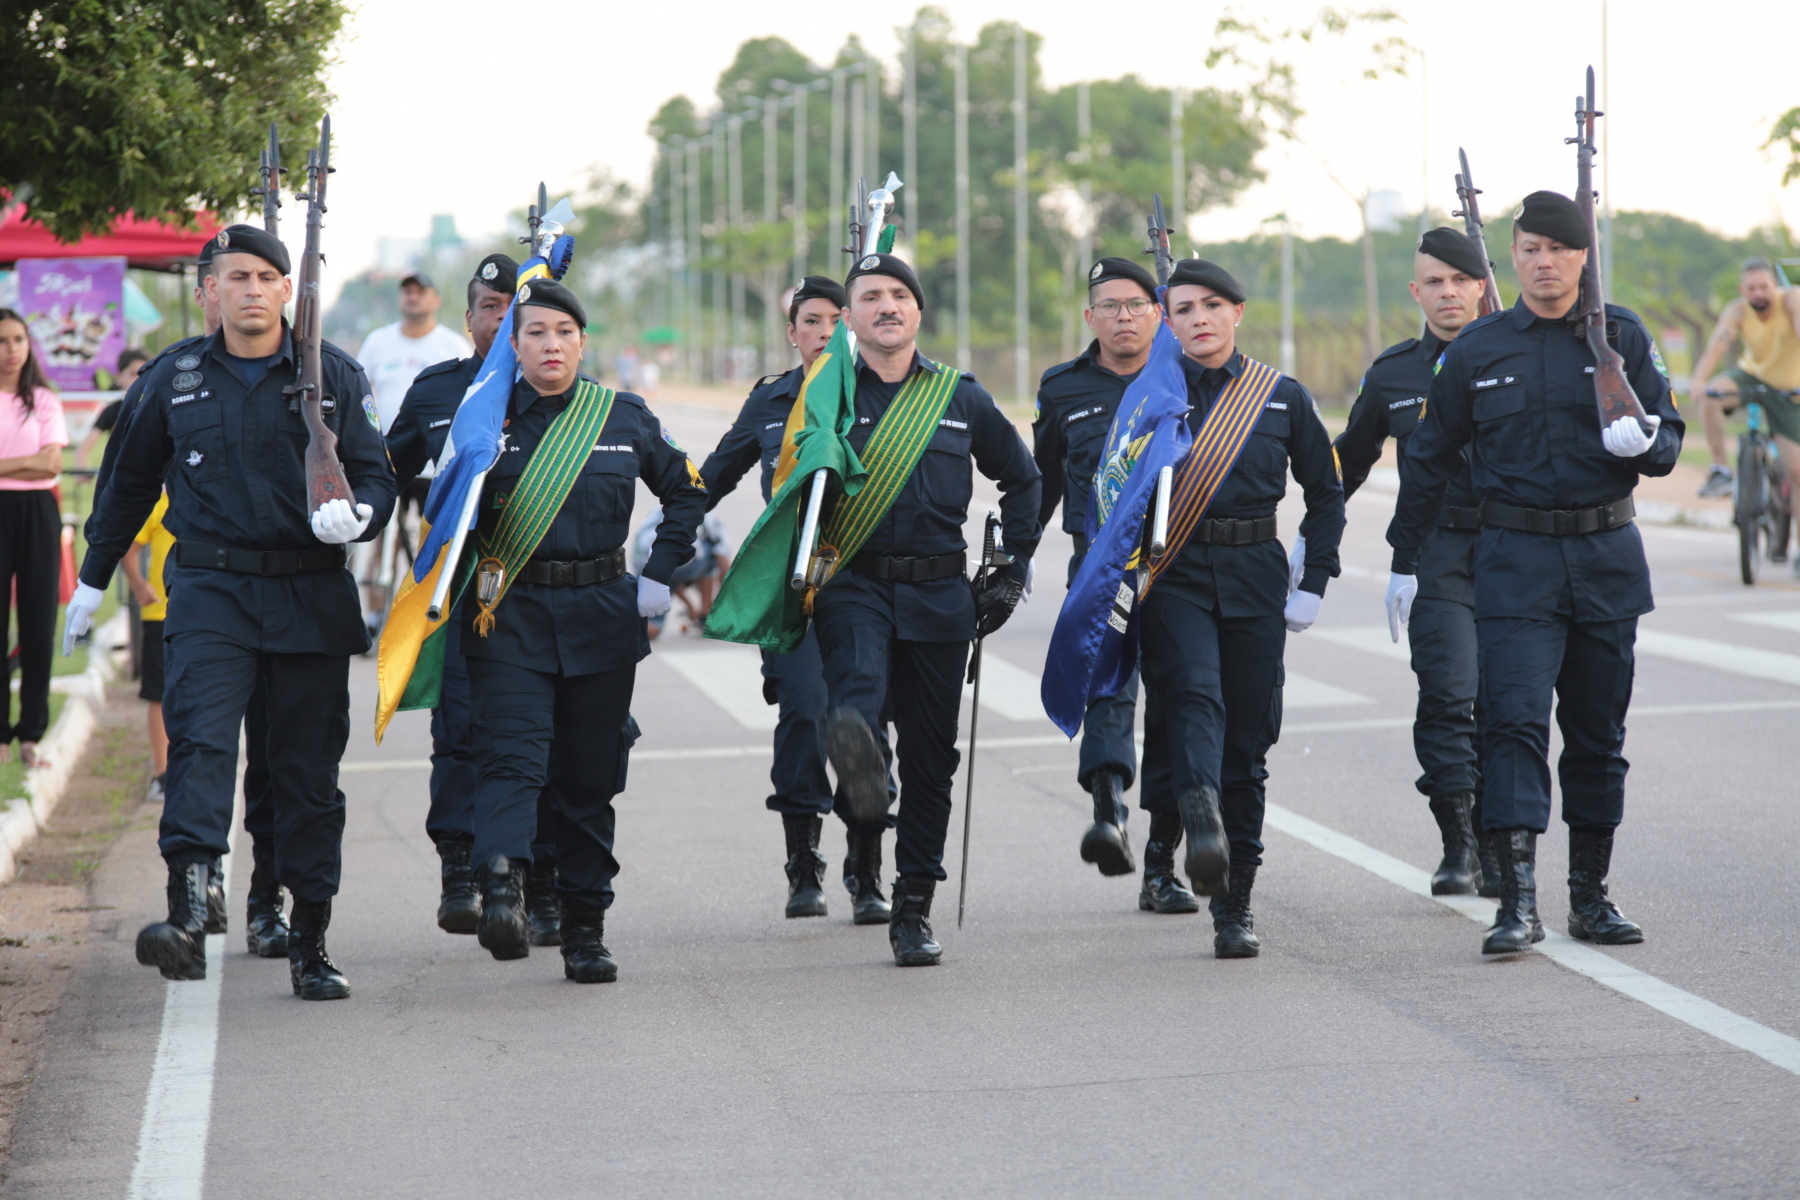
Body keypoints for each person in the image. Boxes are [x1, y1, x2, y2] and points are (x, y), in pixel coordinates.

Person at [64, 223, 397, 1000]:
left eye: (264, 277)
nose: (251, 290)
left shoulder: (334, 375)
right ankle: (188, 909)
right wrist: (92, 578)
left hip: (310, 593)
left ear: (287, 290)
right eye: (235, 277)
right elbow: (126, 484)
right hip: (211, 589)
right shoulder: (173, 377)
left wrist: (361, 517)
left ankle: (309, 937)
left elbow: (378, 475)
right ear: (209, 290)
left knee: (305, 774)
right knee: (201, 744)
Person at [1386, 191, 1684, 954]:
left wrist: (1647, 443)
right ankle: (1517, 903)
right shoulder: (1479, 349)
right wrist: (1404, 557)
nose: (1544, 262)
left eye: (1558, 249)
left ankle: (1591, 896)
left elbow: (1670, 439)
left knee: (1597, 735)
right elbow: (1428, 458)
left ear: (1584, 256)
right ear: (1511, 260)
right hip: (1514, 563)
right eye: (1530, 250)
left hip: (1605, 558)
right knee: (1512, 725)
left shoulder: (1623, 336)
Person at [460, 277, 705, 984]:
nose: (551, 345)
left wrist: (661, 569)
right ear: (514, 344)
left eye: (564, 333)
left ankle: (585, 929)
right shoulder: (483, 417)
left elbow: (687, 489)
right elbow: (443, 510)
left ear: (583, 342)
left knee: (588, 780)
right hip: (507, 613)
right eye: (536, 333)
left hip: (600, 615)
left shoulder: (622, 416)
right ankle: (502, 885)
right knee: (512, 758)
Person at [814, 252, 1041, 967]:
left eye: (899, 295)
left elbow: (1023, 479)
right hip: (854, 582)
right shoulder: (826, 396)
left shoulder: (961, 397)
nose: (887, 306)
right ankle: (862, 772)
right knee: (856, 696)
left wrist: (1011, 563)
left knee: (932, 758)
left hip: (941, 595)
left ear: (918, 311)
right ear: (849, 318)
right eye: (870, 297)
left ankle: (912, 907)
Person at [1135, 259, 1344, 960]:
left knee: (1248, 745)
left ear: (1238, 312)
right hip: (1175, 572)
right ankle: (1198, 809)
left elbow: (1326, 492)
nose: (1199, 318)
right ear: (1168, 321)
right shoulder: (1151, 395)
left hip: (1256, 572)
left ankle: (1235, 906)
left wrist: (1316, 578)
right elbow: (1114, 492)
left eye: (1212, 305)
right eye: (1184, 309)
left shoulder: (1281, 397)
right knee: (1194, 692)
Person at [699, 275, 897, 924]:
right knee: (806, 716)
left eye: (839, 320)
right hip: (796, 588)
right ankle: (803, 862)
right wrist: (666, 534)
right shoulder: (770, 400)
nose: (826, 332)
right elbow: (715, 475)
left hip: (866, 583)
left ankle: (866, 866)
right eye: (812, 321)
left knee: (864, 723)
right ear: (792, 332)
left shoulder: (881, 395)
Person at [1333, 228, 1499, 898]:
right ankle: (1459, 844)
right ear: (1416, 291)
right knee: (1447, 697)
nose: (1448, 292)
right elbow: (1347, 460)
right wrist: (1308, 524)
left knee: (1504, 706)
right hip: (1436, 553)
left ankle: (1499, 840)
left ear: (1482, 285)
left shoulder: (1518, 354)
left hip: (1517, 549)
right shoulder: (1394, 373)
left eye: (1460, 280)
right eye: (1435, 282)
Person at [385, 254, 523, 937]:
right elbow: (386, 472)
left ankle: (528, 876)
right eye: (490, 308)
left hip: (535, 594)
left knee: (534, 740)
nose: (502, 320)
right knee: (459, 734)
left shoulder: (566, 396)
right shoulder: (436, 391)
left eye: (514, 308)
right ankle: (460, 869)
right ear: (467, 319)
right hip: (458, 590)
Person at [1033, 257, 1162, 892]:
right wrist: (1016, 554)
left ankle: (1163, 861)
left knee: (1178, 701)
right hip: (1100, 563)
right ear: (1090, 317)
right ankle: (1109, 809)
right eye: (1109, 306)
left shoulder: (1184, 375)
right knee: (1106, 685)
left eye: (1136, 304)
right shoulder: (1062, 387)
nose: (1123, 317)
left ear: (1158, 313)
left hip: (1177, 561)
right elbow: (1043, 480)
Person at [353, 272, 471, 635]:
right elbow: (360, 393)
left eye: (421, 291)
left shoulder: (452, 345)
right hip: (387, 460)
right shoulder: (378, 342)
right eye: (407, 291)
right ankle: (374, 613)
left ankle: (429, 615)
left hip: (437, 467)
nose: (413, 297)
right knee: (377, 537)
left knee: (432, 538)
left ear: (436, 299)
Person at [0, 309, 69, 769]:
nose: (12, 349)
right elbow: (38, 461)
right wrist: (29, 461)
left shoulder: (44, 399)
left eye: (19, 339)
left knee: (39, 622)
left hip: (38, 512)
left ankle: (31, 733)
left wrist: (12, 466)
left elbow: (52, 465)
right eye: (3, 341)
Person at [1688, 258, 1800, 512]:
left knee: (1797, 473)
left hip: (1790, 388)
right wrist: (1698, 380)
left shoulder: (1792, 299)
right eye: (1751, 288)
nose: (1758, 293)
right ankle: (1721, 471)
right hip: (1753, 374)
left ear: (1774, 284)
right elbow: (1718, 344)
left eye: (1764, 286)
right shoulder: (1737, 310)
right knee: (1712, 395)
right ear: (1742, 290)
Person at [120, 492, 174, 802]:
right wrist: (139, 586)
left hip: (206, 613)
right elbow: (128, 546)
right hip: (161, 614)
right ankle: (161, 772)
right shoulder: (160, 502)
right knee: (159, 694)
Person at [78, 347, 149, 468]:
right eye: (133, 374)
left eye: (144, 374)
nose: (139, 380)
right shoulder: (113, 410)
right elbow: (82, 450)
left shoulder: (159, 408)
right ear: (119, 377)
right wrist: (83, 471)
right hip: (120, 475)